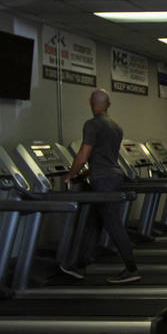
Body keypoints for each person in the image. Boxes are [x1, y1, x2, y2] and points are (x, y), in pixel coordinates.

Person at [60, 89, 139, 284]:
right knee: (93, 222)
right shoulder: (116, 127)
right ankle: (80, 265)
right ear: (109, 104)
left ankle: (131, 268)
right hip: (112, 177)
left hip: (103, 181)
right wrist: (86, 173)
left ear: (90, 102)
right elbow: (105, 158)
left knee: (112, 224)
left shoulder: (92, 125)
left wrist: (70, 175)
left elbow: (84, 155)